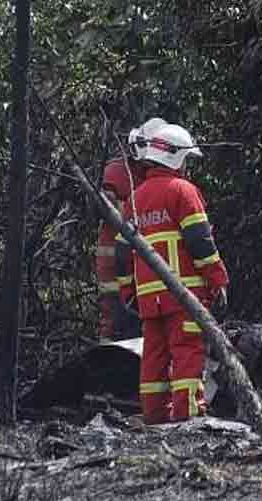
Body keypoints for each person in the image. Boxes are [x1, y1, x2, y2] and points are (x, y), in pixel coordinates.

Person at [115, 122, 229, 424]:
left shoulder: (133, 200)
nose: (188, 168)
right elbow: (200, 242)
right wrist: (218, 280)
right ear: (175, 157)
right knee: (188, 357)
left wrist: (128, 292)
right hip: (185, 296)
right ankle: (188, 420)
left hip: (149, 300)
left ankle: (155, 418)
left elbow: (121, 253)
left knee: (153, 360)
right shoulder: (183, 191)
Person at [95, 118, 167, 341]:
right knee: (114, 323)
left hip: (146, 268)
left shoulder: (158, 174)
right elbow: (105, 208)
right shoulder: (116, 172)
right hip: (114, 268)